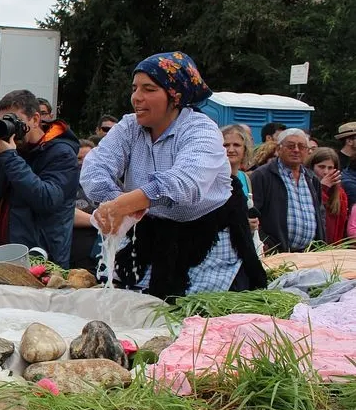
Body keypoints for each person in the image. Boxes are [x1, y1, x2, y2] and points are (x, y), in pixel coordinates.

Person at [81, 52, 266, 299]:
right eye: (135, 88)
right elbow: (95, 168)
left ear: (175, 95)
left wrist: (126, 204)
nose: (137, 97)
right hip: (151, 232)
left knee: (195, 312)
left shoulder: (201, 130)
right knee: (140, 306)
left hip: (207, 236)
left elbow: (185, 182)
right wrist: (114, 203)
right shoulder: (129, 127)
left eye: (149, 89)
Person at [0, 89, 80, 268]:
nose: (11, 128)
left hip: (39, 261)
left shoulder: (61, 154)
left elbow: (47, 199)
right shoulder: (6, 148)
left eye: (16, 121)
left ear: (35, 120)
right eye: (5, 121)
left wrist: (9, 157)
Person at [251, 129, 325, 253]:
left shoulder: (312, 178)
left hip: (309, 254)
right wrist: (265, 243)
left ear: (307, 151)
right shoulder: (262, 175)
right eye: (290, 146)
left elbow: (320, 214)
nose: (296, 150)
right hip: (276, 253)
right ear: (278, 149)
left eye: (301, 147)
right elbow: (253, 212)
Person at [221, 124, 263, 255]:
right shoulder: (213, 178)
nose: (231, 149)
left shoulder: (245, 178)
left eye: (236, 145)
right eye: (226, 145)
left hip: (241, 248)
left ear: (245, 149)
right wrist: (241, 224)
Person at [306, 147, 348, 244]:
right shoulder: (304, 186)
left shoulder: (340, 194)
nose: (326, 172)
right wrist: (322, 188)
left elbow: (341, 225)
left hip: (331, 247)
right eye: (321, 167)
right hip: (312, 245)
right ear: (312, 167)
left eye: (330, 168)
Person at [71, 139, 99, 272]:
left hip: (108, 247)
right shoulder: (66, 182)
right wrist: (98, 221)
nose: (83, 162)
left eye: (88, 158)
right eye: (79, 159)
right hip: (78, 250)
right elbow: (65, 213)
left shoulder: (109, 180)